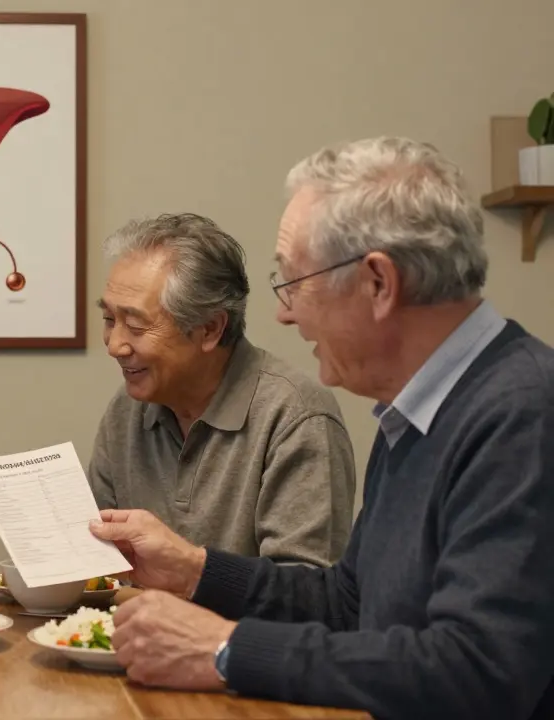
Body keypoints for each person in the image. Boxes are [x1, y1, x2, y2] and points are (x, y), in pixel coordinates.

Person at [89, 137, 554, 720]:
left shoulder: (522, 414)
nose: (285, 313)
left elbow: (478, 671)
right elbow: (347, 603)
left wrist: (224, 649)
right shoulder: (413, 414)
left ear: (378, 283)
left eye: (295, 282)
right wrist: (194, 570)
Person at [89, 212, 356, 566]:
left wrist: (189, 571)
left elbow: (305, 592)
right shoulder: (127, 410)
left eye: (136, 325)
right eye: (109, 320)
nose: (114, 345)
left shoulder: (296, 416)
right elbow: (98, 563)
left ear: (210, 329)